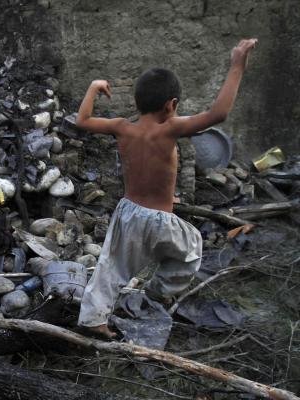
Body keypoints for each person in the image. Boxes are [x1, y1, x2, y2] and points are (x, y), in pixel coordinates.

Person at [76, 39, 258, 338]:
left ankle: (94, 319)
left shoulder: (122, 126)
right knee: (191, 249)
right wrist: (237, 65)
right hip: (161, 221)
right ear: (171, 105)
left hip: (129, 214)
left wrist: (95, 87)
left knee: (111, 267)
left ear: (137, 102)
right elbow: (219, 114)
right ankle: (159, 291)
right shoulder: (170, 128)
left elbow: (82, 119)